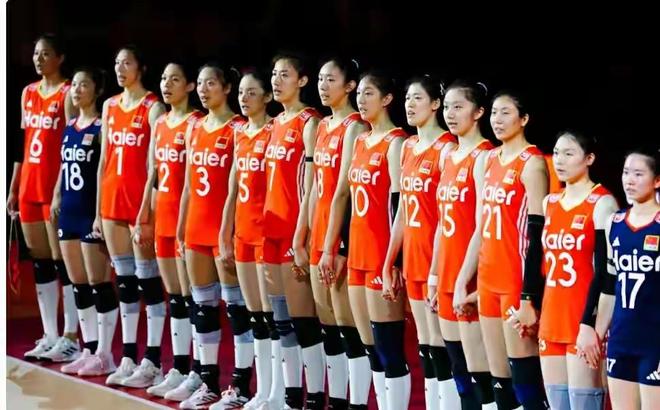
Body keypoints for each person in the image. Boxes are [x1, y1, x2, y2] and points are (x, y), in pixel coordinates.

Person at [320, 70, 409, 409]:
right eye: (360, 94)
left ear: (387, 99)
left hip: (381, 255)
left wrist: (394, 262)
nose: (361, 100)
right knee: (369, 347)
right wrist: (339, 248)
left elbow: (399, 206)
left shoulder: (396, 142)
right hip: (357, 252)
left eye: (369, 93)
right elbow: (346, 199)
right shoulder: (359, 140)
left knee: (389, 349)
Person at [175, 62, 249, 409]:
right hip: (196, 226)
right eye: (201, 84)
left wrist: (228, 231)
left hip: (225, 229)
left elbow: (238, 187)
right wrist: (180, 228)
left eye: (211, 84)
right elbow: (189, 184)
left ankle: (240, 386)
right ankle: (207, 382)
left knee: (237, 309)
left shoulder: (238, 128)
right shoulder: (195, 126)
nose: (204, 90)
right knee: (202, 307)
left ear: (227, 88)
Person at [381, 75, 458, 410]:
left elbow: (447, 215)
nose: (409, 105)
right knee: (425, 346)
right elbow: (401, 210)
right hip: (412, 257)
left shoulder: (447, 149)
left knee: (442, 347)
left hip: (436, 258)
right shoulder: (408, 146)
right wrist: (390, 261)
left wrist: (437, 270)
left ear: (436, 104)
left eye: (417, 99)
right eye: (407, 99)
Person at [95, 45, 168, 387]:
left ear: (141, 68)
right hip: (112, 200)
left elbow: (155, 166)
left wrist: (145, 211)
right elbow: (104, 159)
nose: (120, 68)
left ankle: (152, 361)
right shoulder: (109, 105)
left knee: (148, 281)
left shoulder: (153, 107)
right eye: (117, 62)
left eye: (127, 62)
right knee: (124, 282)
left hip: (140, 204)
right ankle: (127, 357)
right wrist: (99, 210)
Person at [133, 60, 204, 396]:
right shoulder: (160, 123)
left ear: (189, 86)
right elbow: (154, 174)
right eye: (163, 78)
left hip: (185, 220)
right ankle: (179, 367)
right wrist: (143, 216)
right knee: (174, 297)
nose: (167, 84)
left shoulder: (195, 123)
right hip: (161, 216)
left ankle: (200, 372)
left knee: (192, 298)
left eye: (175, 79)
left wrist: (183, 225)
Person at [7, 33, 79, 361]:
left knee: (63, 262)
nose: (39, 59)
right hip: (29, 186)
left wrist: (61, 189)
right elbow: (23, 145)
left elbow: (72, 143)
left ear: (60, 58)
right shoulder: (28, 92)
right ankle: (49, 333)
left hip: (56, 186)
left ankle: (71, 336)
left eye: (46, 53)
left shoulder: (68, 93)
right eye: (36, 53)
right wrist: (13, 187)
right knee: (41, 262)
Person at [428, 79, 497, 410]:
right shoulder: (448, 155)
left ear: (479, 112)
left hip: (469, 276)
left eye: (459, 107)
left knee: (480, 372)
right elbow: (442, 221)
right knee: (457, 367)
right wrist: (434, 275)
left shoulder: (484, 156)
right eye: (447, 107)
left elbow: (483, 225)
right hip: (446, 271)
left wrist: (461, 280)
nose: (450, 114)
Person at [478, 90, 549, 409]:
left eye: (506, 113)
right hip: (487, 278)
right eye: (494, 112)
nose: (497, 119)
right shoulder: (489, 158)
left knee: (525, 382)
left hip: (514, 281)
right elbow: (481, 226)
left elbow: (537, 235)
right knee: (500, 383)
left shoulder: (532, 163)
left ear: (524, 119)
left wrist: (529, 296)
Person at [307, 57, 370, 409]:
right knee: (328, 326)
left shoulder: (354, 127)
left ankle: (355, 403)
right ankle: (336, 400)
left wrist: (337, 246)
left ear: (349, 86)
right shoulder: (322, 125)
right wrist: (306, 236)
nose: (323, 85)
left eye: (331, 79)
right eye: (320, 78)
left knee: (348, 327)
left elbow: (344, 193)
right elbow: (315, 189)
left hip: (338, 239)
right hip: (319, 234)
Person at [577, 147, 660, 410]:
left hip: (654, 342)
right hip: (621, 340)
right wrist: (596, 333)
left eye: (638, 174)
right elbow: (610, 286)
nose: (629, 180)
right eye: (626, 173)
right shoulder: (615, 223)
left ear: (657, 181)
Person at [50, 68, 120, 375]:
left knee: (99, 284)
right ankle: (89, 348)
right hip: (69, 209)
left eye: (84, 85)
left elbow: (105, 172)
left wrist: (100, 214)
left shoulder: (102, 126)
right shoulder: (69, 126)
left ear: (97, 90)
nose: (77, 90)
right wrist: (56, 195)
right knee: (78, 285)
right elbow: (63, 165)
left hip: (91, 212)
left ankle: (105, 353)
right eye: (74, 85)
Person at [218, 68, 281, 409]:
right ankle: (261, 392)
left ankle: (277, 394)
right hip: (242, 233)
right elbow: (232, 189)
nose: (244, 98)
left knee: (272, 318)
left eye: (252, 92)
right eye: (241, 92)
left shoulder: (275, 131)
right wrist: (225, 232)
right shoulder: (240, 132)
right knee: (254, 315)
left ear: (267, 97)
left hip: (265, 234)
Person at [263, 53, 323, 410]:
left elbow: (312, 184)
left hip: (294, 232)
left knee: (304, 322)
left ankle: (314, 398)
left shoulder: (308, 122)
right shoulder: (274, 123)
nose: (276, 80)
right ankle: (289, 397)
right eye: (274, 74)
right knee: (280, 321)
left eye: (285, 74)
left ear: (302, 81)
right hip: (270, 231)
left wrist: (303, 236)